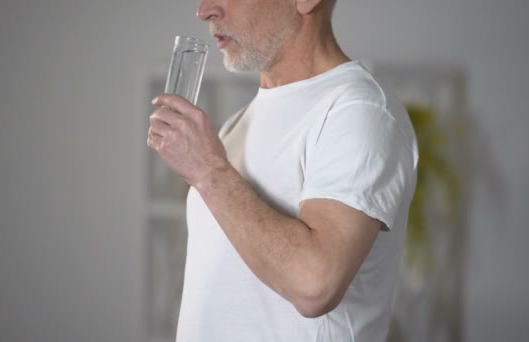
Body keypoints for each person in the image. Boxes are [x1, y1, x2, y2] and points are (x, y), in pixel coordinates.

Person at [147, 0, 418, 341]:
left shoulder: (360, 112)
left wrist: (209, 172)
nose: (205, 11)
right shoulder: (236, 125)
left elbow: (314, 285)